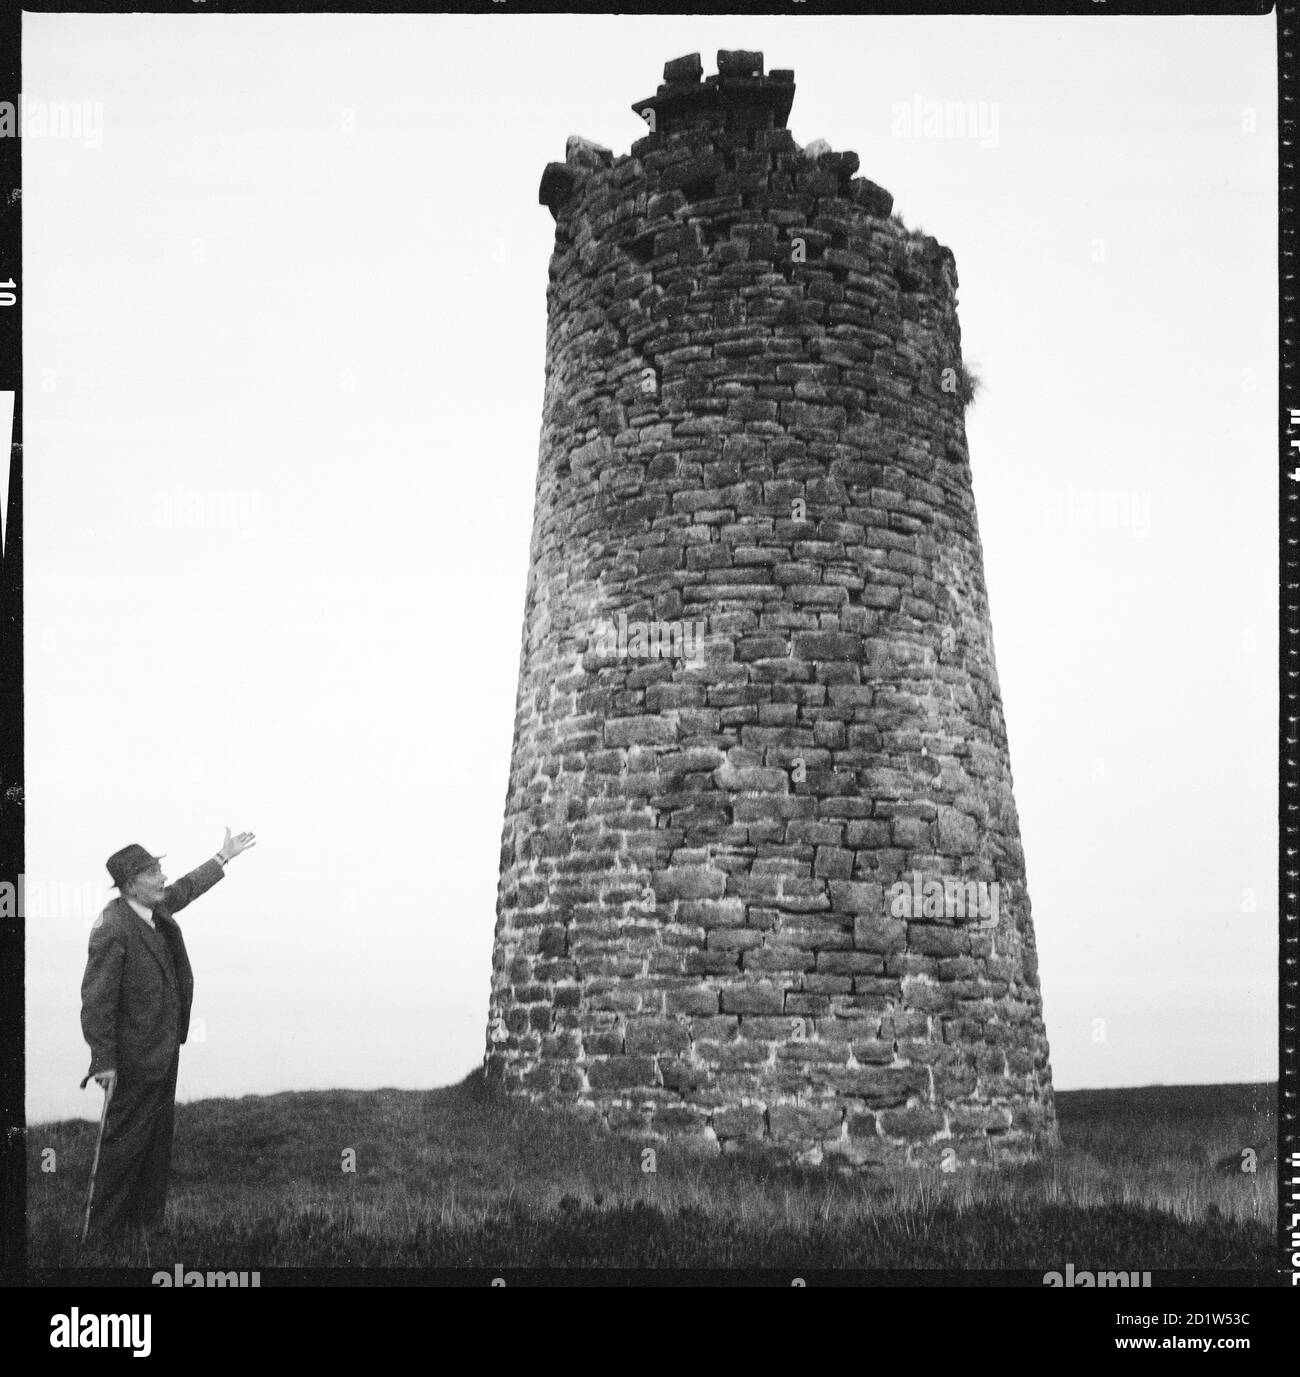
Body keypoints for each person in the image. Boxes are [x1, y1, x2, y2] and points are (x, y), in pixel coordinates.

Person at [79, 828, 255, 1241]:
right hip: (132, 1060)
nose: (161, 879)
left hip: (161, 1052)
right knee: (122, 1148)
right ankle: (101, 1239)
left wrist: (222, 857)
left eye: (159, 869)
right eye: (152, 872)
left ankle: (142, 1229)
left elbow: (186, 888)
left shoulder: (153, 910)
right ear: (128, 886)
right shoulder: (114, 926)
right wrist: (103, 1060)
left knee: (156, 1145)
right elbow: (96, 1000)